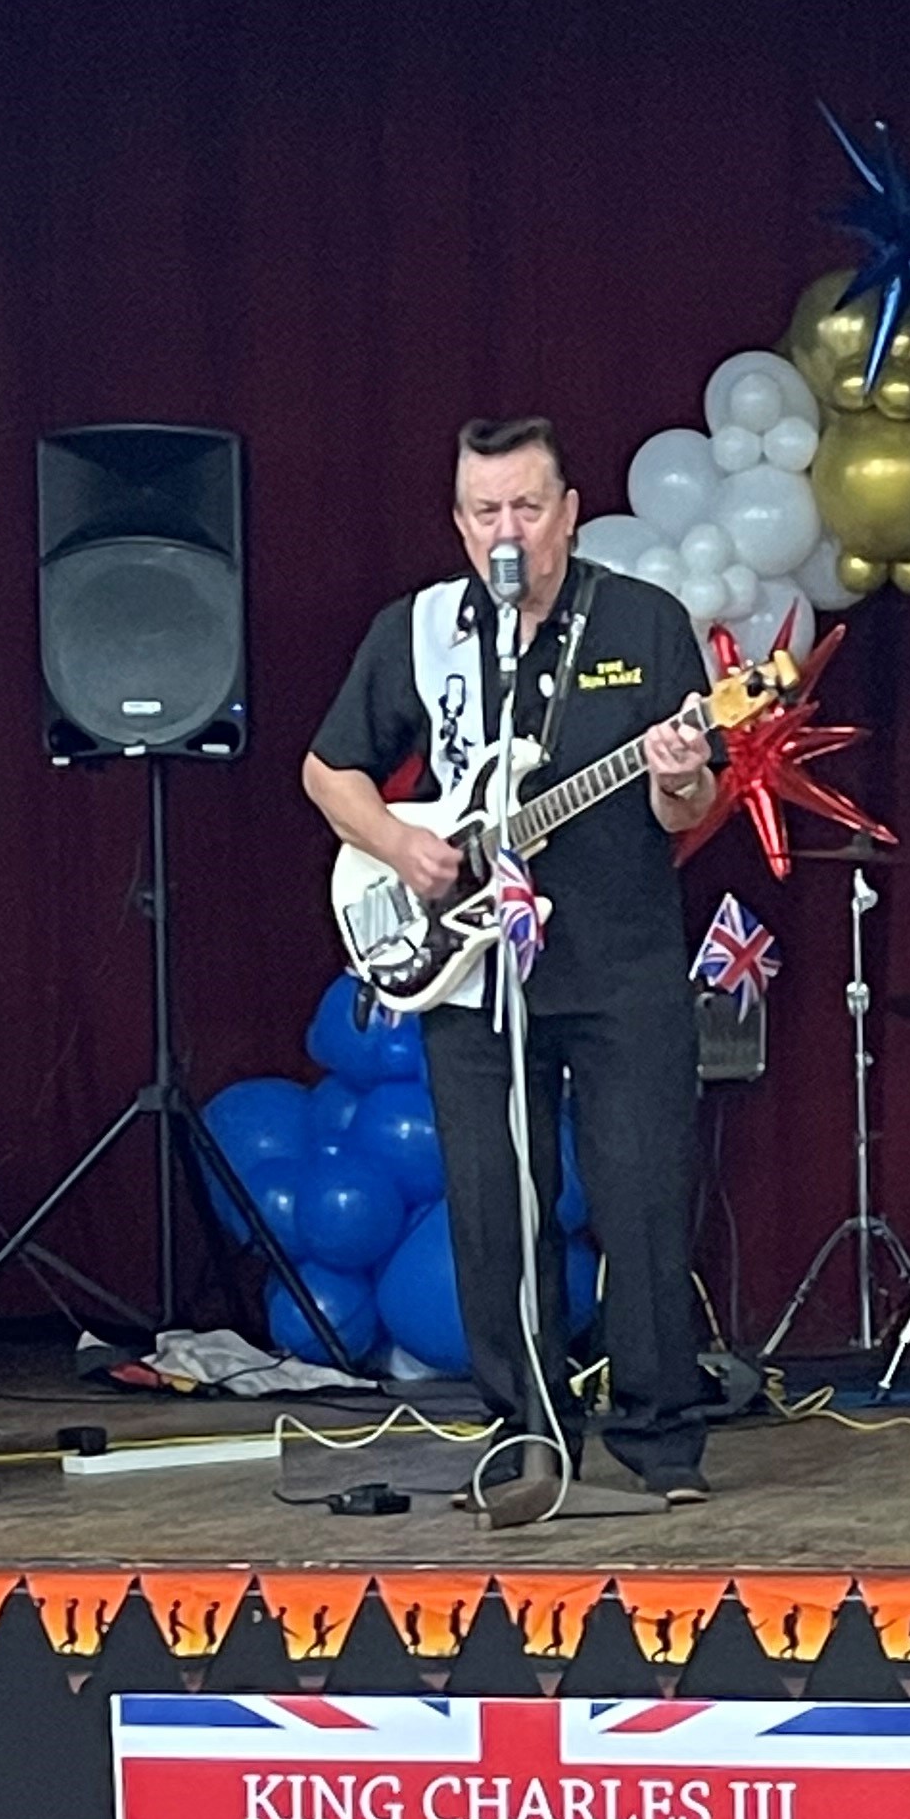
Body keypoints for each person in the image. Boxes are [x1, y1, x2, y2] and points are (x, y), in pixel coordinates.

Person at [303, 415, 718, 1513]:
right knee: (492, 1204)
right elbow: (326, 768)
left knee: (639, 1196)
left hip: (620, 958)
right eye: (486, 511)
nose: (508, 531)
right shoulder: (424, 631)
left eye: (528, 509)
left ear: (570, 513)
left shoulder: (644, 622)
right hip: (473, 964)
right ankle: (524, 1429)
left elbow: (691, 801)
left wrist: (677, 773)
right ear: (457, 522)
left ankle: (661, 1437)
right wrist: (401, 845)